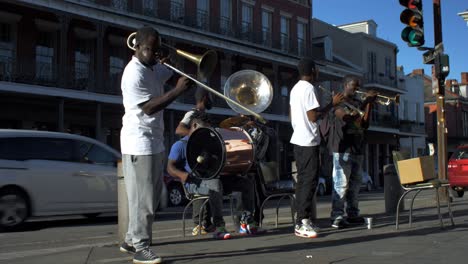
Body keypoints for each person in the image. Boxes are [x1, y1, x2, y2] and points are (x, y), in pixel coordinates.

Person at [119, 26, 191, 264]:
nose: (152, 54)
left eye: (156, 49)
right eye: (149, 49)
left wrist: (172, 56)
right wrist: (178, 91)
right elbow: (149, 107)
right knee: (145, 199)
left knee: (143, 197)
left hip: (152, 141)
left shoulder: (151, 69)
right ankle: (141, 247)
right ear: (137, 46)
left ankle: (131, 240)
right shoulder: (134, 73)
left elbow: (176, 71)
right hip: (139, 142)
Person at [167, 110, 263, 237]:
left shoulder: (209, 143)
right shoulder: (179, 145)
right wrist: (182, 175)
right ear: (195, 126)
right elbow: (170, 168)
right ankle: (219, 227)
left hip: (214, 179)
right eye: (205, 129)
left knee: (245, 183)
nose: (208, 133)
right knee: (216, 184)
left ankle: (246, 222)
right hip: (194, 183)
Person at [289, 57, 343, 238]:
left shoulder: (295, 89)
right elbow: (313, 116)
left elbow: (292, 115)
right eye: (317, 69)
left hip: (298, 138)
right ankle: (302, 222)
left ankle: (302, 220)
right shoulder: (309, 88)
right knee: (309, 181)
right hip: (308, 141)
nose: (318, 72)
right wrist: (332, 105)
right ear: (312, 70)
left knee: (304, 181)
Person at [329, 75, 377, 229]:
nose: (356, 88)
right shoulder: (338, 101)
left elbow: (365, 124)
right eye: (353, 85)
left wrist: (369, 105)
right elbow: (347, 118)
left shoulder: (358, 102)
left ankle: (353, 214)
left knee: (355, 185)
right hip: (342, 149)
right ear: (345, 85)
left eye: (358, 85)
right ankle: (336, 216)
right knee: (341, 184)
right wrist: (365, 102)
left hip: (358, 147)